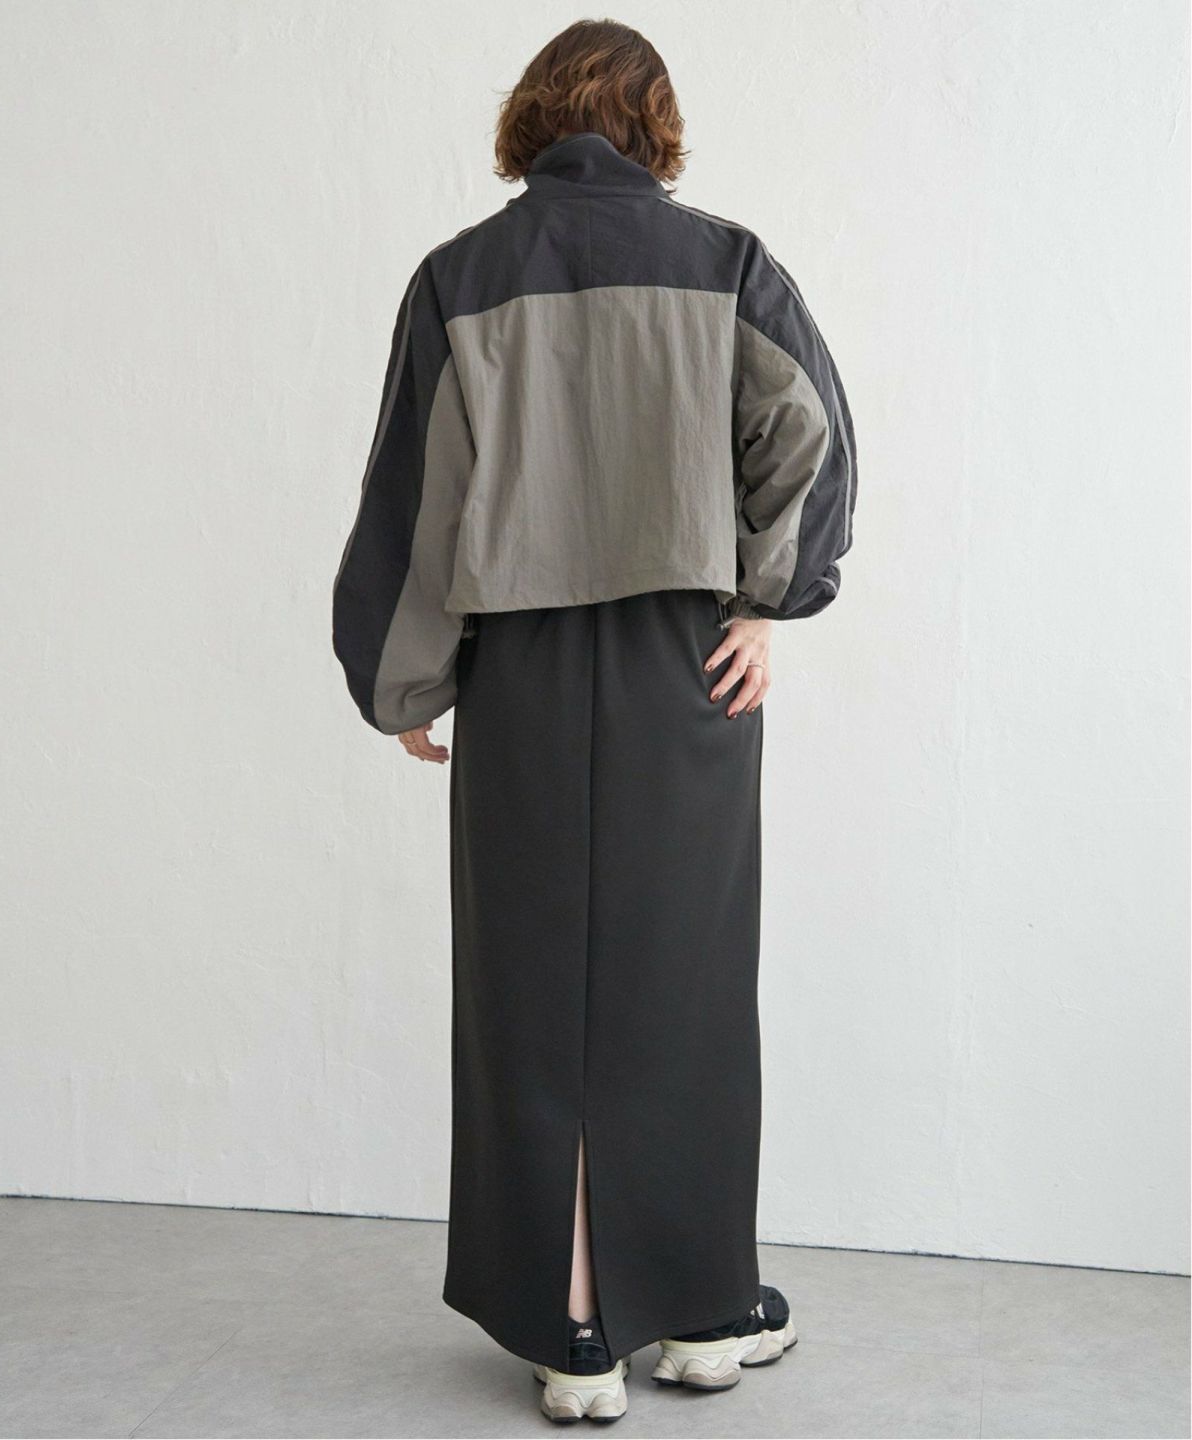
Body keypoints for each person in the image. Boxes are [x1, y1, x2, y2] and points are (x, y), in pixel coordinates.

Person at [332, 18, 857, 1425]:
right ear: (654, 122)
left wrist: (406, 682)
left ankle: (574, 1331)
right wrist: (767, 604)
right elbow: (811, 435)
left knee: (531, 992)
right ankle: (702, 1310)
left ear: (533, 118)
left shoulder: (459, 278)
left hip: (520, 674)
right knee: (688, 985)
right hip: (689, 669)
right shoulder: (726, 265)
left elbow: (418, 499)